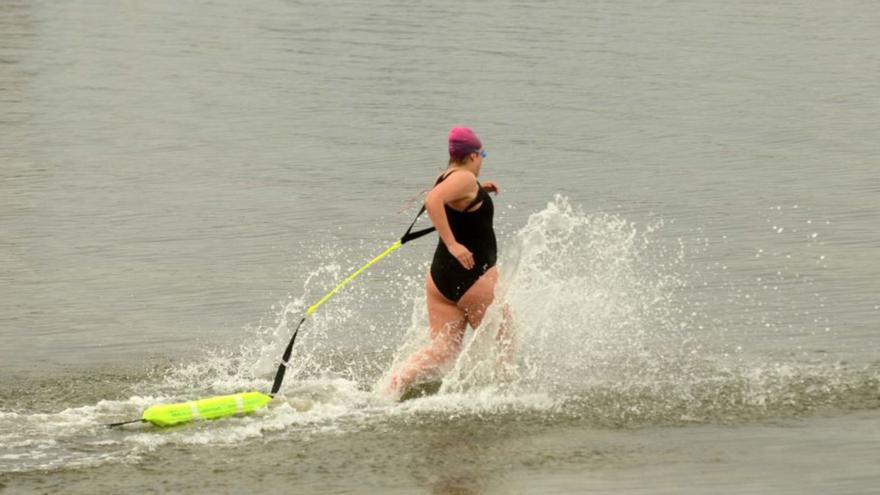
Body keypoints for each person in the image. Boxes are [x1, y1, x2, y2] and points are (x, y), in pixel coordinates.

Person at [384, 127, 513, 399]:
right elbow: (434, 200)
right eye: (482, 155)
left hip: (440, 280)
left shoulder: (449, 177)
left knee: (442, 352)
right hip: (474, 277)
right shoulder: (465, 179)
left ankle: (394, 384)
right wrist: (454, 245)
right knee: (506, 339)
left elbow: (447, 199)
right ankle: (506, 396)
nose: (482, 161)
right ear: (473, 156)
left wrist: (481, 190)